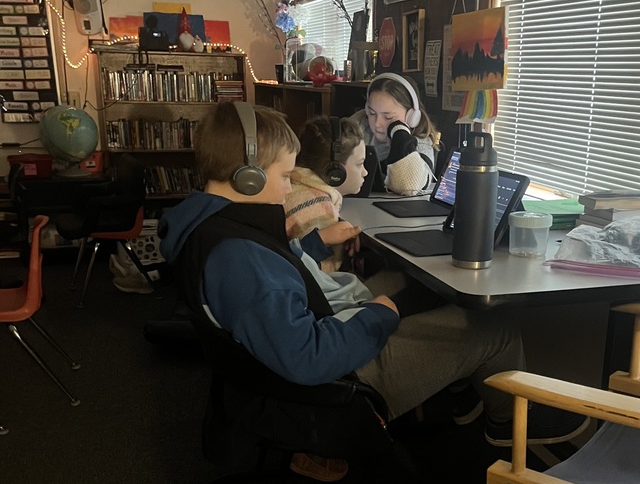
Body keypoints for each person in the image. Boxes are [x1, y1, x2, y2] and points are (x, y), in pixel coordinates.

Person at [158, 103, 585, 458]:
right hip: (329, 395)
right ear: (247, 176)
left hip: (292, 367)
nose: (290, 186)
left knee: (420, 289)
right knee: (493, 326)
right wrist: (378, 316)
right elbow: (308, 357)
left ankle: (463, 393)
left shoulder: (211, 226)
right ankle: (508, 425)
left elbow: (275, 281)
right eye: (286, 176)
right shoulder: (238, 258)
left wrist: (314, 246)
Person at [284, 115, 367, 271]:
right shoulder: (317, 207)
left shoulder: (293, 186)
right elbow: (320, 277)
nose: (365, 172)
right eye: (360, 164)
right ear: (336, 171)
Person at [353, 73, 441, 194]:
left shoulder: (422, 141)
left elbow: (409, 186)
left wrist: (400, 133)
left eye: (388, 117)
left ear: (412, 116)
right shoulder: (359, 128)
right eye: (372, 113)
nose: (378, 123)